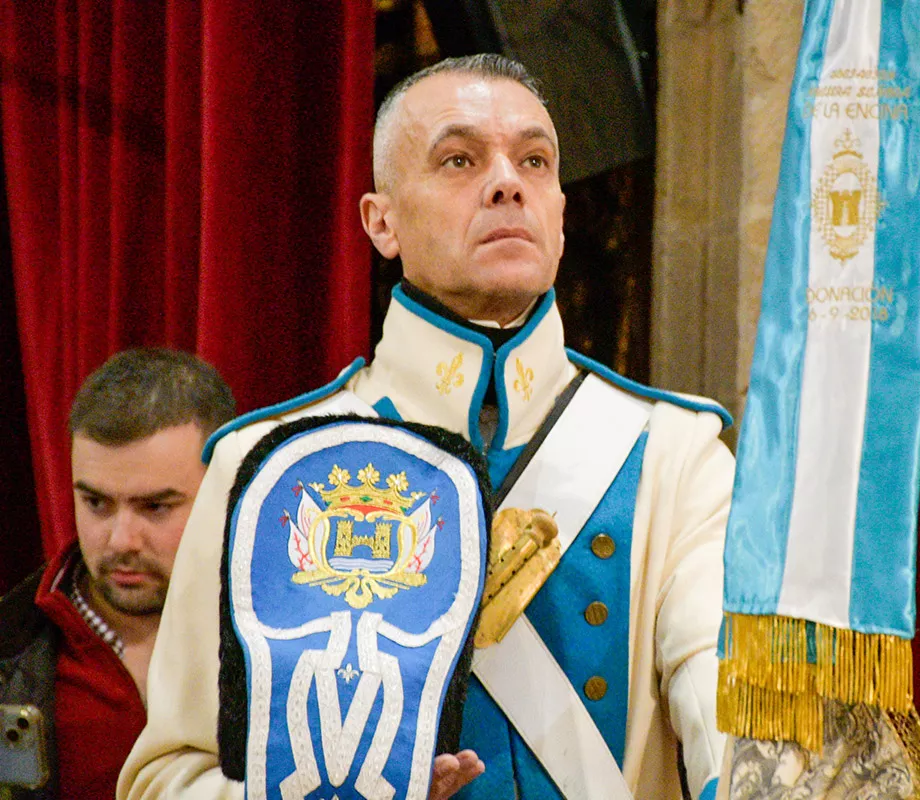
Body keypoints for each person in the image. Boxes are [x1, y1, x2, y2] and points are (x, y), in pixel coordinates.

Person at [119, 53, 733, 800]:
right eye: (458, 159)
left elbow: (726, 713)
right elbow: (167, 777)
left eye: (534, 161)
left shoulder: (675, 454)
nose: (507, 181)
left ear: (562, 220)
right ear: (382, 222)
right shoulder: (267, 466)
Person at [0, 348, 235, 798]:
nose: (121, 539)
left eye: (155, 507)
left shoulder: (285, 641)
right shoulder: (12, 646)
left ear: (222, 490)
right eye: (96, 504)